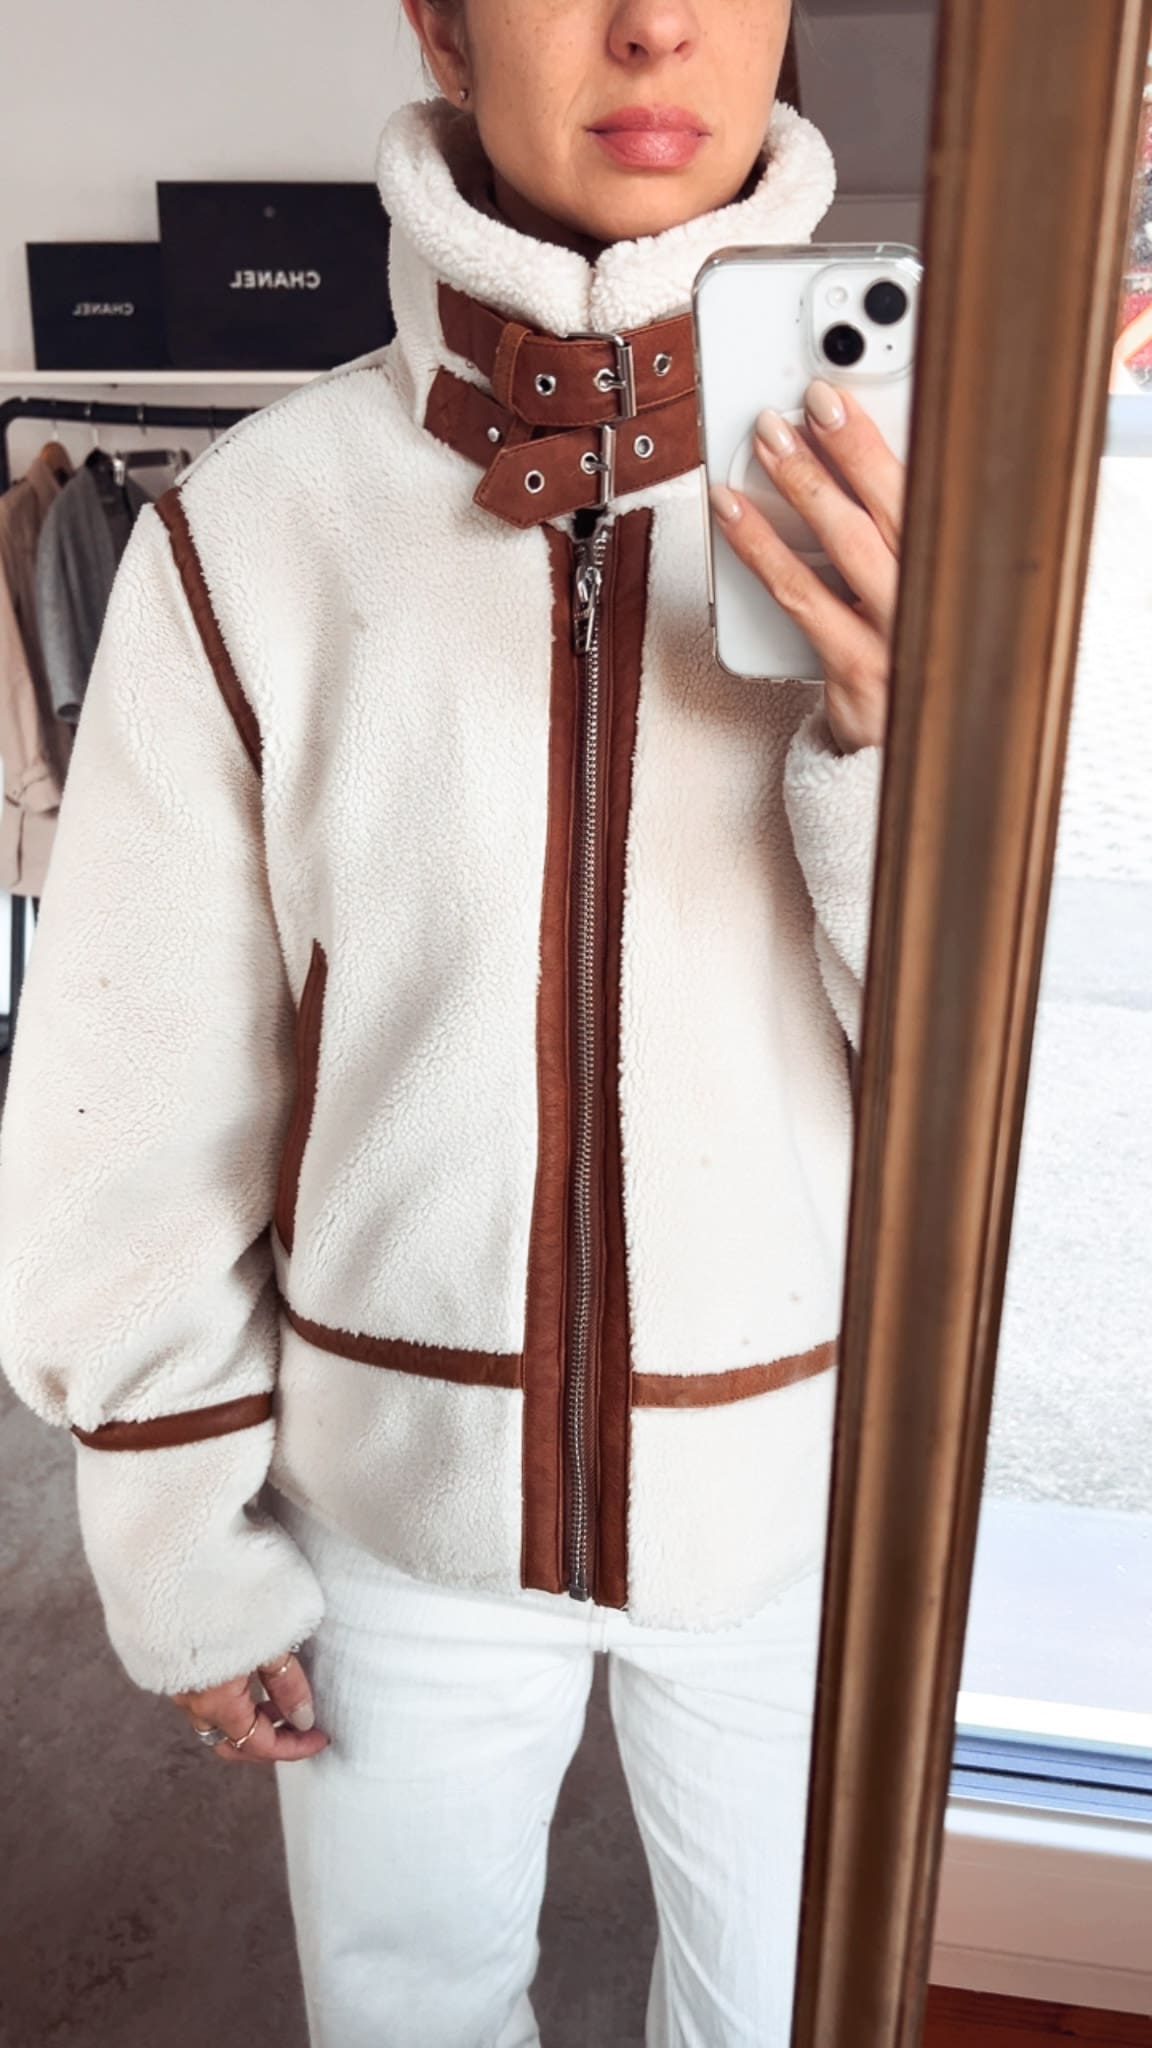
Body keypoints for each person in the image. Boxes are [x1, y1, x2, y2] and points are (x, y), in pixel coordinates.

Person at [0, 1, 902, 2041]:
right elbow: (135, 1075)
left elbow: (1022, 1081)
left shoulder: (914, 517)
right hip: (391, 1507)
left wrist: (893, 750)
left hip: (811, 1497)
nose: (656, 22)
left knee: (791, 2012)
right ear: (438, 17)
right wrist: (175, 1526)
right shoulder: (255, 526)